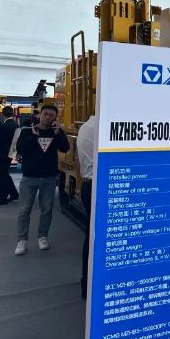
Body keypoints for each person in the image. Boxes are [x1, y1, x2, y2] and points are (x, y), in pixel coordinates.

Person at [14, 105, 69, 255]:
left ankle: (43, 237)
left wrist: (57, 134)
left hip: (49, 178)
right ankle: (22, 240)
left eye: (51, 115)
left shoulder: (56, 132)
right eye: (45, 114)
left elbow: (65, 148)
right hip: (29, 178)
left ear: (55, 117)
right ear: (40, 115)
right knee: (24, 210)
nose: (47, 117)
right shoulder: (27, 131)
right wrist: (34, 137)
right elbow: (20, 149)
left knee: (46, 209)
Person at [77, 115, 96, 299]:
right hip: (97, 187)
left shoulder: (86, 126)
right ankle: (89, 284)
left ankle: (87, 283)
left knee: (92, 235)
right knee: (94, 238)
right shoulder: (99, 128)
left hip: (89, 185)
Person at [0, 106, 20, 206]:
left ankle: (3, 198)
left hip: (2, 153)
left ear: (2, 114)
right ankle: (14, 194)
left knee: (1, 176)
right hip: (10, 153)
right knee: (5, 174)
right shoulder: (16, 125)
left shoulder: (4, 126)